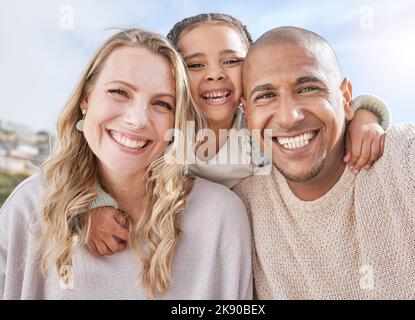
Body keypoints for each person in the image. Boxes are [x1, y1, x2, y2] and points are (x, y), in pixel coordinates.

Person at [87, 13, 391, 258]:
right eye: (195, 65)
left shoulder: (260, 127)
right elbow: (99, 161)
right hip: (190, 247)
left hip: (256, 247)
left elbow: (334, 109)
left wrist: (367, 116)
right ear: (175, 74)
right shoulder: (167, 131)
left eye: (231, 61)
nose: (215, 74)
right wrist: (96, 204)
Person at [0, 29, 252, 300]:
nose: (137, 119)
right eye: (119, 92)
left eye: (162, 104)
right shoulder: (30, 207)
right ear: (86, 99)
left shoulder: (220, 216)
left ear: (176, 120)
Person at [233, 26, 415, 299]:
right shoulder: (241, 208)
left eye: (308, 88)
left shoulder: (410, 160)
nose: (288, 117)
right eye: (266, 96)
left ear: (345, 97)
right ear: (247, 112)